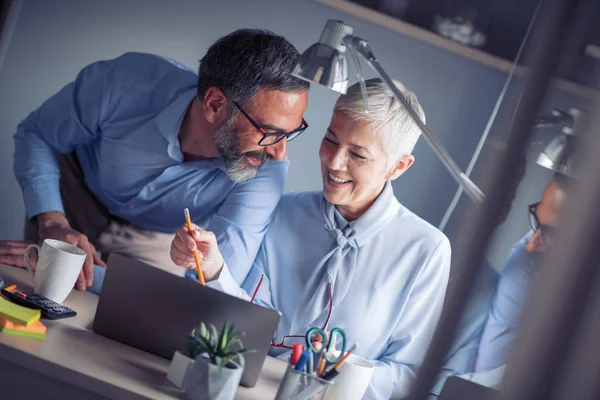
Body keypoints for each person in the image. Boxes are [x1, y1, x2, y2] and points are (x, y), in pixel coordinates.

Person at [170, 78, 452, 399]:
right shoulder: (281, 211)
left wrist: (330, 371)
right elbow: (244, 319)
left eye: (358, 155)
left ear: (398, 166)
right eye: (331, 140)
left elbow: (408, 373)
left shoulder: (427, 250)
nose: (334, 163)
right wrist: (215, 269)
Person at [5, 29, 309, 291]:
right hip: (73, 198)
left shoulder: (266, 168)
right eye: (270, 131)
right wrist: (52, 222)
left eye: (291, 133)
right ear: (215, 105)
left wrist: (69, 269)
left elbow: (208, 289)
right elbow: (38, 135)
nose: (279, 152)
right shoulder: (125, 83)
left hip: (158, 243)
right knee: (31, 299)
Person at [475, 174, 572, 373]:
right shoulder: (525, 259)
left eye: (550, 233)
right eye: (537, 220)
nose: (531, 244)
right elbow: (491, 367)